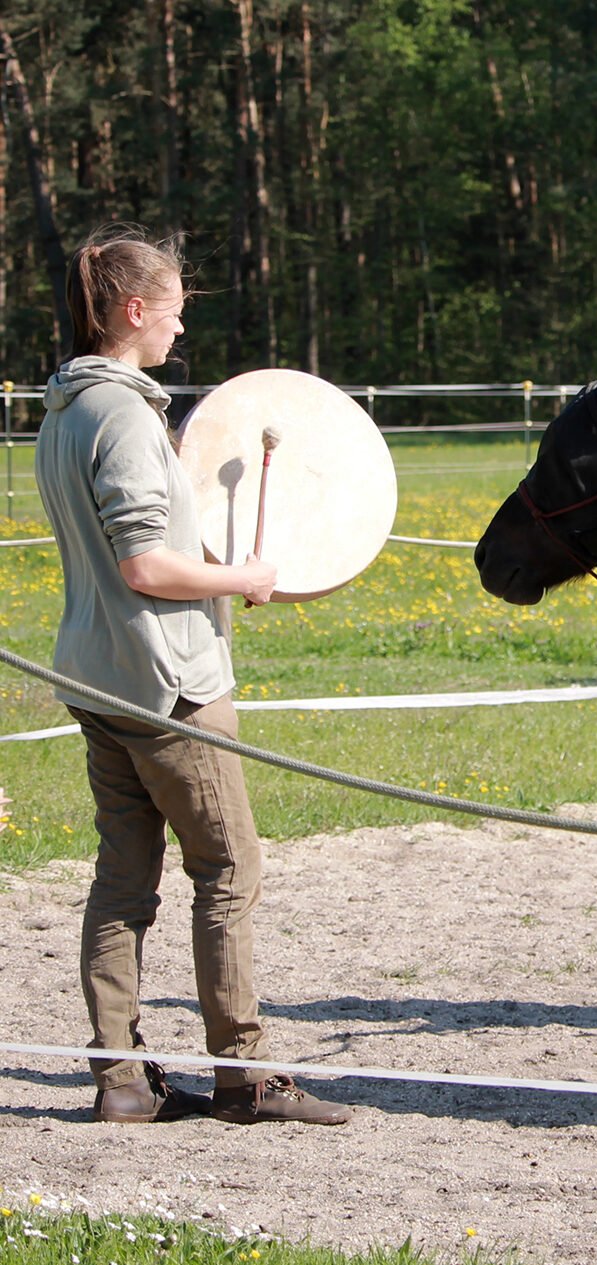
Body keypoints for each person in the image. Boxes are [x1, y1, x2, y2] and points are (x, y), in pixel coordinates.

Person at [35, 223, 351, 1124]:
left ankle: (121, 1079)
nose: (180, 331)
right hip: (169, 685)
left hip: (98, 677)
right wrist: (242, 576)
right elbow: (144, 566)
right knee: (228, 868)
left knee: (123, 881)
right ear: (135, 310)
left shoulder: (66, 410)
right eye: (172, 313)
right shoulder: (125, 416)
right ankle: (244, 1074)